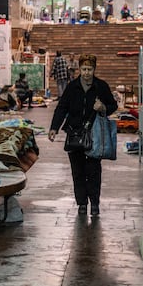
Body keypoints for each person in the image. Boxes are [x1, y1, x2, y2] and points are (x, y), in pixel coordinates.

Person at [48, 54, 118, 217]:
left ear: (94, 69)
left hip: (95, 136)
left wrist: (103, 108)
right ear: (79, 69)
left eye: (90, 69)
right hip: (74, 134)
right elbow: (62, 107)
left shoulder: (101, 86)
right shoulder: (72, 87)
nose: (86, 73)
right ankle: (81, 204)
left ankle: (94, 204)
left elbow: (113, 106)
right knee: (77, 171)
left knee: (94, 171)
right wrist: (54, 128)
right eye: (84, 69)